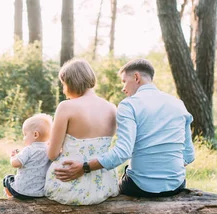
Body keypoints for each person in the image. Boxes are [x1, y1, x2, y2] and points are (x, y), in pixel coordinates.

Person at [54, 58, 195, 197]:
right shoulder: (178, 104)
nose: (123, 88)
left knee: (124, 176)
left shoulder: (129, 105)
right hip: (177, 185)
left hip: (141, 187)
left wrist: (84, 167)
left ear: (136, 77)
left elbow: (122, 152)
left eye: (124, 81)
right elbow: (189, 155)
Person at [44, 59, 120, 205]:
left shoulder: (66, 107)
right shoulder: (111, 108)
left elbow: (52, 154)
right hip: (104, 185)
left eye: (64, 84)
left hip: (70, 184)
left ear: (71, 82)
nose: (63, 89)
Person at [3, 113, 53, 200]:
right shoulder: (49, 150)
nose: (24, 138)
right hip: (39, 193)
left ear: (35, 135)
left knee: (7, 179)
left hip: (21, 191)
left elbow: (15, 164)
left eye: (25, 134)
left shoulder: (29, 149)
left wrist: (12, 158)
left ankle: (10, 197)